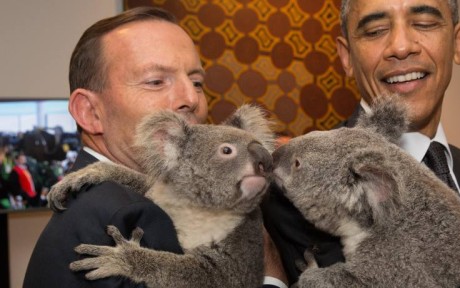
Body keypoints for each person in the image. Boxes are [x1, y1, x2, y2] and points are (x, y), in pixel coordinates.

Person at [261, 0, 460, 287]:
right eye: (375, 30)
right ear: (346, 56)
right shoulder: (296, 186)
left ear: (458, 42)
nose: (401, 46)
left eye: (425, 24)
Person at [23, 7, 285, 288]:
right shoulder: (131, 217)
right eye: (156, 81)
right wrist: (272, 274)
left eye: (197, 82)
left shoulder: (96, 197)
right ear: (89, 112)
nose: (190, 98)